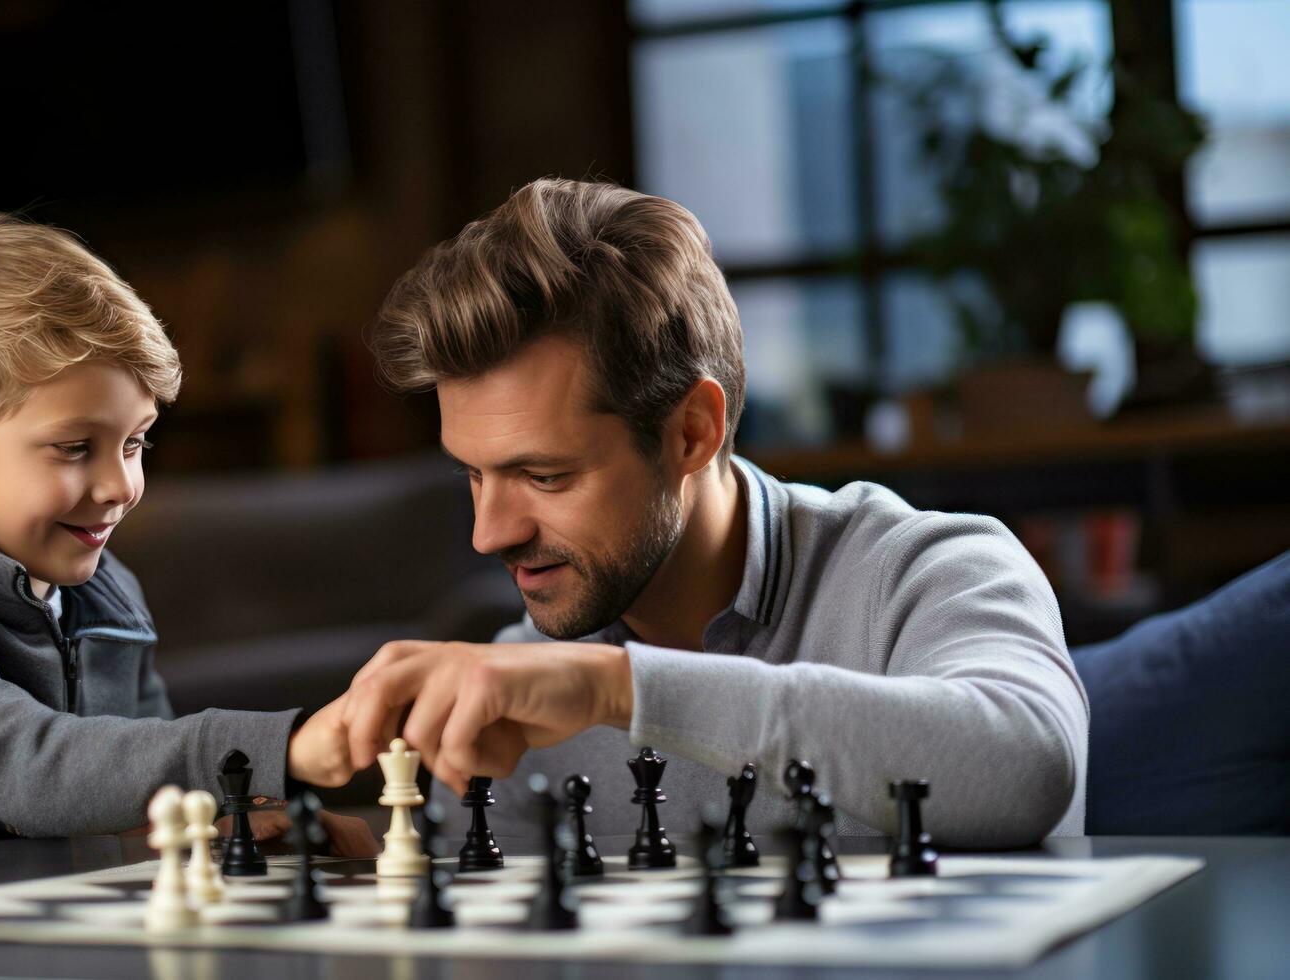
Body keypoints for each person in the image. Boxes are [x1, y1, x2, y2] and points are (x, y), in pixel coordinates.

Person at [331, 179, 1087, 847]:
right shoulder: (514, 683)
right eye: (473, 475)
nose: (488, 533)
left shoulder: (931, 571)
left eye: (544, 475)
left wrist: (619, 689)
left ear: (691, 432)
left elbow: (1027, 773)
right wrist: (369, 886)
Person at [0, 215, 365, 862]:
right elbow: (28, 770)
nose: (121, 485)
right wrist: (283, 751)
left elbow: (141, 805)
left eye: (135, 442)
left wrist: (253, 816)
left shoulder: (112, 593)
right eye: (73, 447)